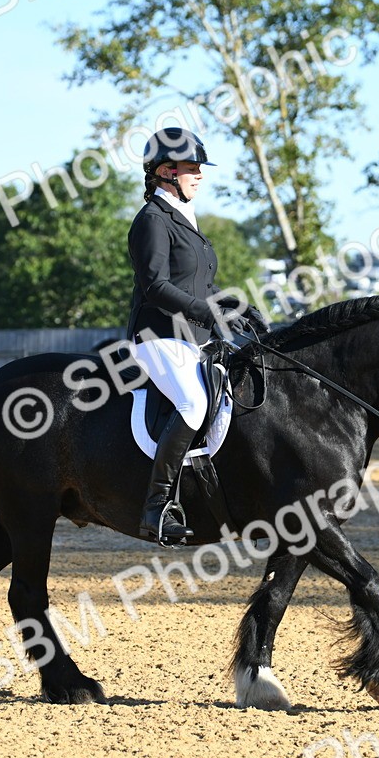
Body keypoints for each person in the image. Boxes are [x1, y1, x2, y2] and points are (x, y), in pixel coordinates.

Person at [126, 127, 250, 543]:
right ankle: (156, 507)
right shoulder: (151, 221)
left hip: (192, 337)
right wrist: (209, 313)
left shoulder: (185, 221)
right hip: (158, 335)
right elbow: (156, 286)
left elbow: (201, 285)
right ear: (165, 172)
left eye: (200, 168)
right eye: (192, 168)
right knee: (194, 404)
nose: (200, 175)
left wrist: (242, 310)